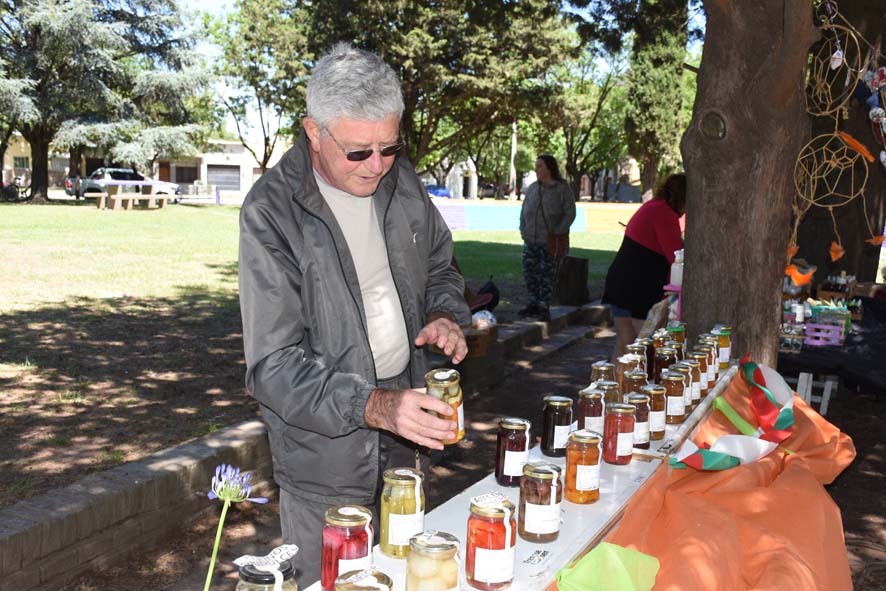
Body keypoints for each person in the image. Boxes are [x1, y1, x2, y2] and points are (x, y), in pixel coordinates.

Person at [237, 43, 471, 584]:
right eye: (359, 152)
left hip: (406, 426)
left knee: (409, 571)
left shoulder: (402, 179)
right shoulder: (271, 212)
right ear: (314, 132)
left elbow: (442, 263)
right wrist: (372, 405)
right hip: (325, 451)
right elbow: (272, 365)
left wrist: (443, 312)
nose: (378, 166)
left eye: (389, 147)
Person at [602, 173, 686, 362]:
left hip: (622, 283)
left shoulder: (652, 207)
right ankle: (629, 387)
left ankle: (617, 385)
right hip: (638, 288)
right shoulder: (663, 213)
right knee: (643, 347)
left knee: (625, 344)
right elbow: (676, 254)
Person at [518, 154, 576, 322]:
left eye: (540, 166)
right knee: (530, 273)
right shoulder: (533, 188)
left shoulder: (562, 189)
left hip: (550, 242)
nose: (536, 170)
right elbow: (524, 209)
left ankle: (544, 306)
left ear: (549, 169)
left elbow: (569, 213)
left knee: (547, 275)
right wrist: (523, 228)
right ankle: (533, 303)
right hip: (530, 240)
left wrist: (558, 231)